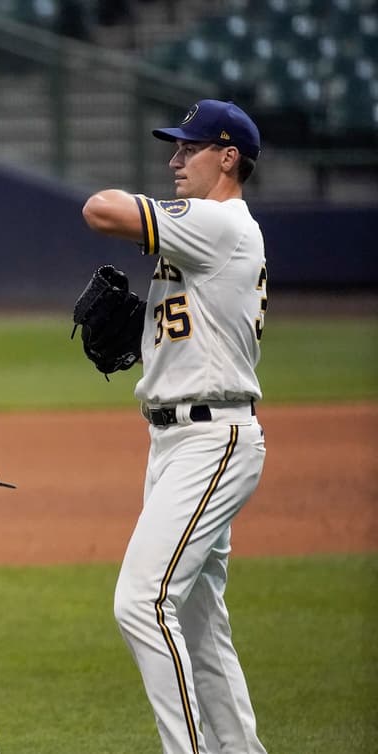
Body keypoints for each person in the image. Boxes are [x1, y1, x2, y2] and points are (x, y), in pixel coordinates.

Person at [82, 99, 269, 754]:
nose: (173, 159)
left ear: (227, 157)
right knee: (197, 621)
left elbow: (99, 208)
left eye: (188, 148)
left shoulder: (218, 222)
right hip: (180, 437)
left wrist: (141, 217)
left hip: (209, 441)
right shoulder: (215, 232)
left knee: (141, 603)